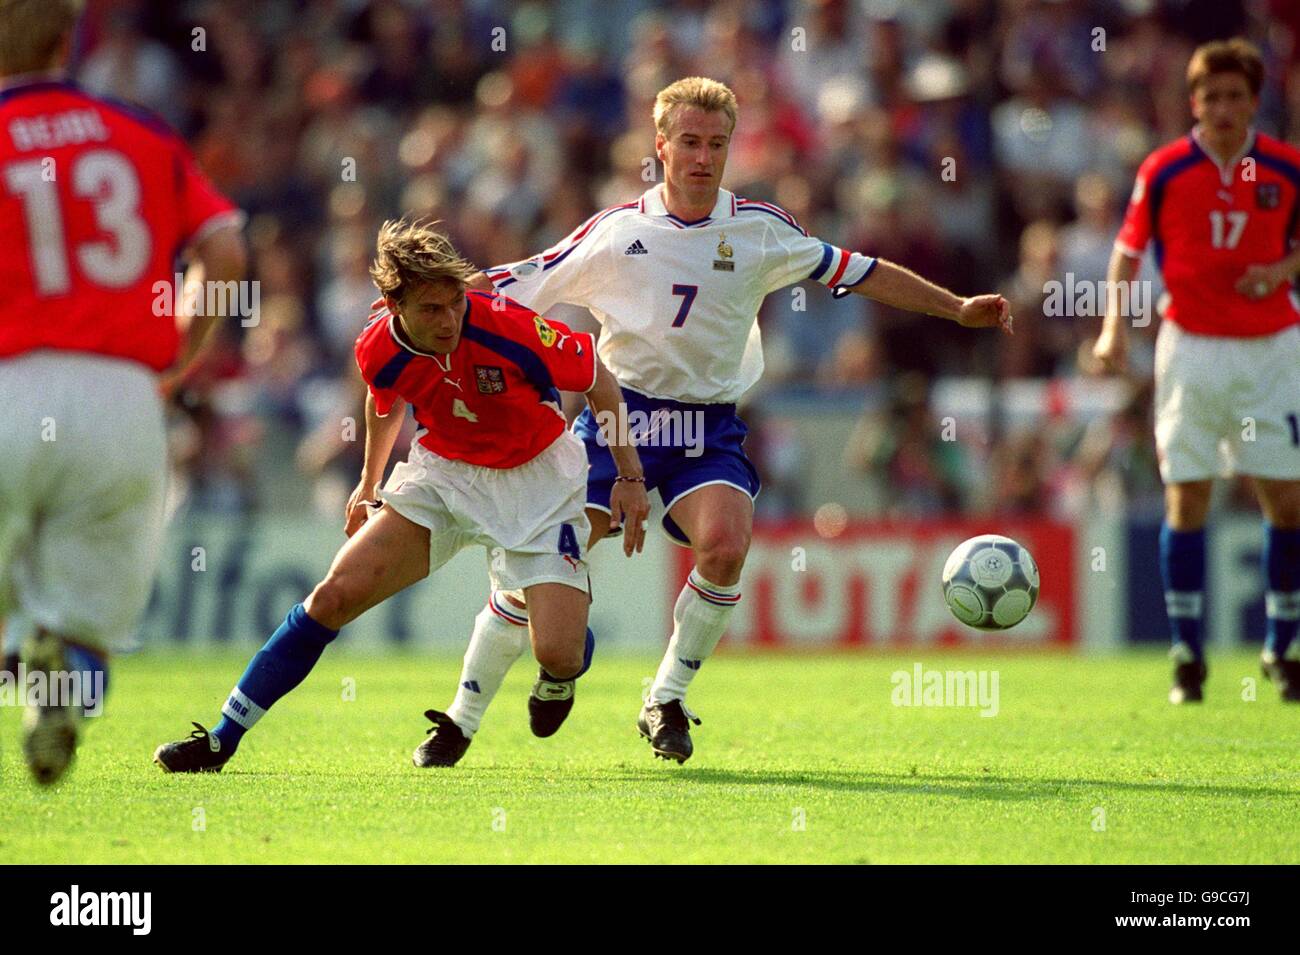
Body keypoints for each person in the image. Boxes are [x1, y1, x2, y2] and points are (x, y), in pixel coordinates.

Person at [439, 76, 1011, 764]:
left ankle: (666, 696)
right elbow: (513, 281)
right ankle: (462, 718)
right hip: (620, 420)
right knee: (533, 569)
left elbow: (861, 271)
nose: (703, 157)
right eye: (689, 142)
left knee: (725, 544)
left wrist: (956, 308)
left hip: (707, 426)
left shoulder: (761, 230)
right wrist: (434, 293)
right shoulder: (617, 232)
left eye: (716, 143)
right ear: (661, 146)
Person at [153, 219, 649, 772]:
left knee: (559, 653)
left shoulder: (508, 327)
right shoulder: (376, 346)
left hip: (536, 479)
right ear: (394, 305)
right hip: (445, 475)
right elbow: (383, 400)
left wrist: (629, 476)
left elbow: (596, 377)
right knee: (333, 596)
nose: (449, 320)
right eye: (431, 309)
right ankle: (222, 738)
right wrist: (370, 483)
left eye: (455, 303)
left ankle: (560, 672)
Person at [0, 0, 247, 784]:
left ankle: (19, 652)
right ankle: (58, 674)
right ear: (68, 35)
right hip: (122, 399)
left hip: (9, 383)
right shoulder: (138, 131)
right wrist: (173, 353)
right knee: (86, 624)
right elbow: (225, 250)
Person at [1094, 38, 1300, 703]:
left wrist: (1283, 270)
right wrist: (1112, 330)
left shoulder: (1286, 168)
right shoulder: (1164, 170)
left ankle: (1281, 644)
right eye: (1210, 96)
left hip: (1271, 348)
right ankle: (1187, 652)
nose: (1222, 107)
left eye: (1235, 95)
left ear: (1253, 100)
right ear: (1194, 102)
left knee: (1286, 498)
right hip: (1191, 348)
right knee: (1188, 494)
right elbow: (1127, 254)